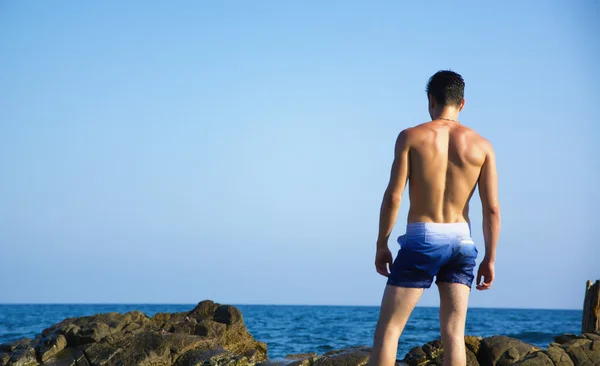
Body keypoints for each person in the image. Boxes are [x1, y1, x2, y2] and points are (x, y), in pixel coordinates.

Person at [368, 70, 500, 366]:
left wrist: (382, 243)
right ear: (462, 104)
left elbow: (393, 196)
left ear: (431, 99)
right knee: (454, 334)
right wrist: (490, 258)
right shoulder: (482, 146)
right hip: (462, 242)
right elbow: (491, 208)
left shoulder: (411, 137)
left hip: (423, 238)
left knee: (389, 331)